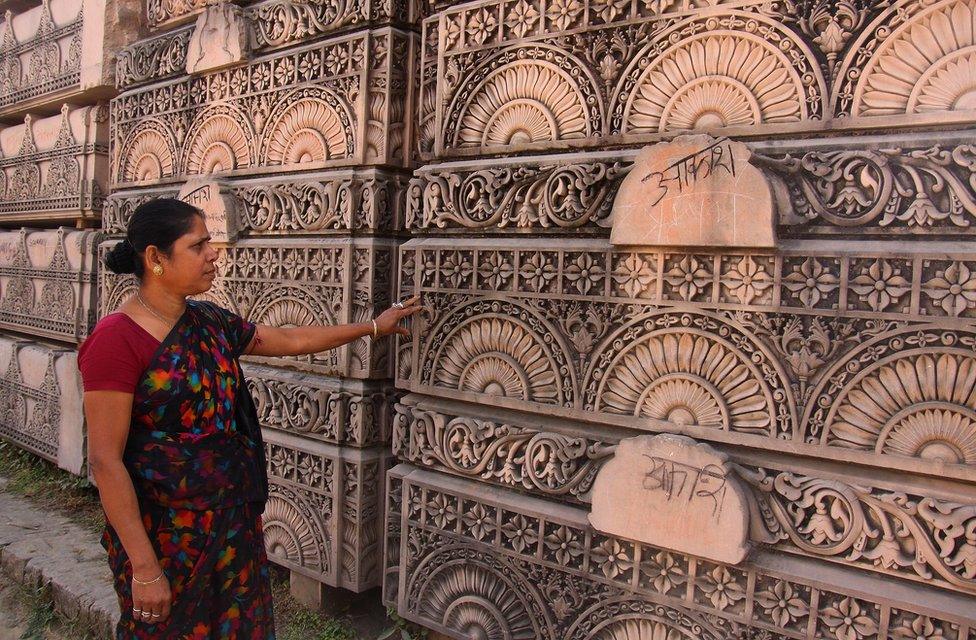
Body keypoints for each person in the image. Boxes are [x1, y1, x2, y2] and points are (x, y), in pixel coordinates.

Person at [78, 198, 420, 639]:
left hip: (231, 523)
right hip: (168, 538)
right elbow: (105, 461)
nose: (212, 254)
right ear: (155, 259)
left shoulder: (209, 323)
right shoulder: (116, 340)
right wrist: (144, 566)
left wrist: (373, 327)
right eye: (198, 245)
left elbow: (288, 339)